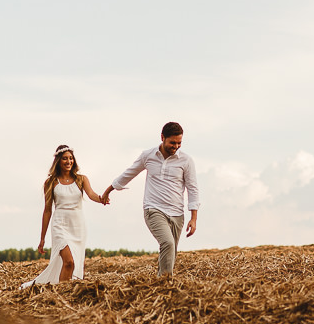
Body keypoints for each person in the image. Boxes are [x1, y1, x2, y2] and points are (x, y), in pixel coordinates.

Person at [101, 122, 200, 276]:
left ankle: (160, 288)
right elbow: (129, 173)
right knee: (167, 243)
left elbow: (193, 189)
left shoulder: (186, 161)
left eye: (179, 143)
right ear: (162, 138)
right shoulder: (148, 156)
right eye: (172, 142)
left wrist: (193, 218)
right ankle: (166, 285)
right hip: (153, 209)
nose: (176, 146)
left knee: (171, 251)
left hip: (177, 214)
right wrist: (108, 191)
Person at [22, 144, 108, 288]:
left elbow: (92, 194)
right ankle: (60, 294)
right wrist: (42, 238)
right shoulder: (50, 182)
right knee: (69, 262)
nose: (69, 162)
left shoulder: (81, 179)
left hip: (77, 226)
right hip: (60, 225)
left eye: (71, 158)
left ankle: (63, 293)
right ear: (58, 161)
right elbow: (47, 210)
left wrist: (102, 198)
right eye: (65, 159)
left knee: (72, 265)